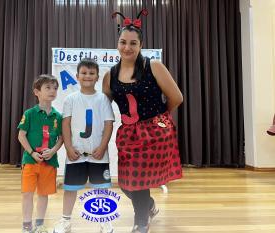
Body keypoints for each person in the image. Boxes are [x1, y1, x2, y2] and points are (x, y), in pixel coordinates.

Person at [103, 10, 184, 233]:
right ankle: (148, 206)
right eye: (123, 42)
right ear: (117, 43)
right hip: (128, 134)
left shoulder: (153, 66)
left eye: (133, 43)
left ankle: (141, 222)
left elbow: (176, 97)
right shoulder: (110, 75)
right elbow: (104, 108)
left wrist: (159, 117)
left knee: (139, 182)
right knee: (127, 184)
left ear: (141, 45)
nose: (127, 47)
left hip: (154, 133)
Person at [53, 58, 115, 233]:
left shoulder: (103, 99)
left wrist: (103, 147)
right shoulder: (71, 99)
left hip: (98, 153)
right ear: (77, 76)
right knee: (70, 189)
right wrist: (68, 147)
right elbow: (66, 124)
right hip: (76, 154)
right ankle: (66, 220)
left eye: (91, 73)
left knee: (101, 189)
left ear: (97, 77)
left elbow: (108, 124)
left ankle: (104, 220)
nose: (88, 76)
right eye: (84, 73)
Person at [18, 75, 64, 233]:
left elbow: (61, 138)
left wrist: (53, 151)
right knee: (27, 193)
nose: (52, 91)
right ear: (37, 92)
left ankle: (39, 224)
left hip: (49, 163)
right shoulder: (30, 113)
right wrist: (31, 152)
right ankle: (26, 225)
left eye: (55, 88)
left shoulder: (58, 116)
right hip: (30, 161)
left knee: (44, 194)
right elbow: (21, 135)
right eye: (48, 88)